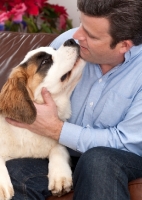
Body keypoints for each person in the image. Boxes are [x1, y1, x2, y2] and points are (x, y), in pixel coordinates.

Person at [6, 0, 142, 199]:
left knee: (98, 160)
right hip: (61, 152)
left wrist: (57, 129)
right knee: (14, 172)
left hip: (119, 157)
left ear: (124, 45)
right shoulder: (67, 43)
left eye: (91, 35)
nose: (76, 36)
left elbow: (125, 142)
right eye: (81, 25)